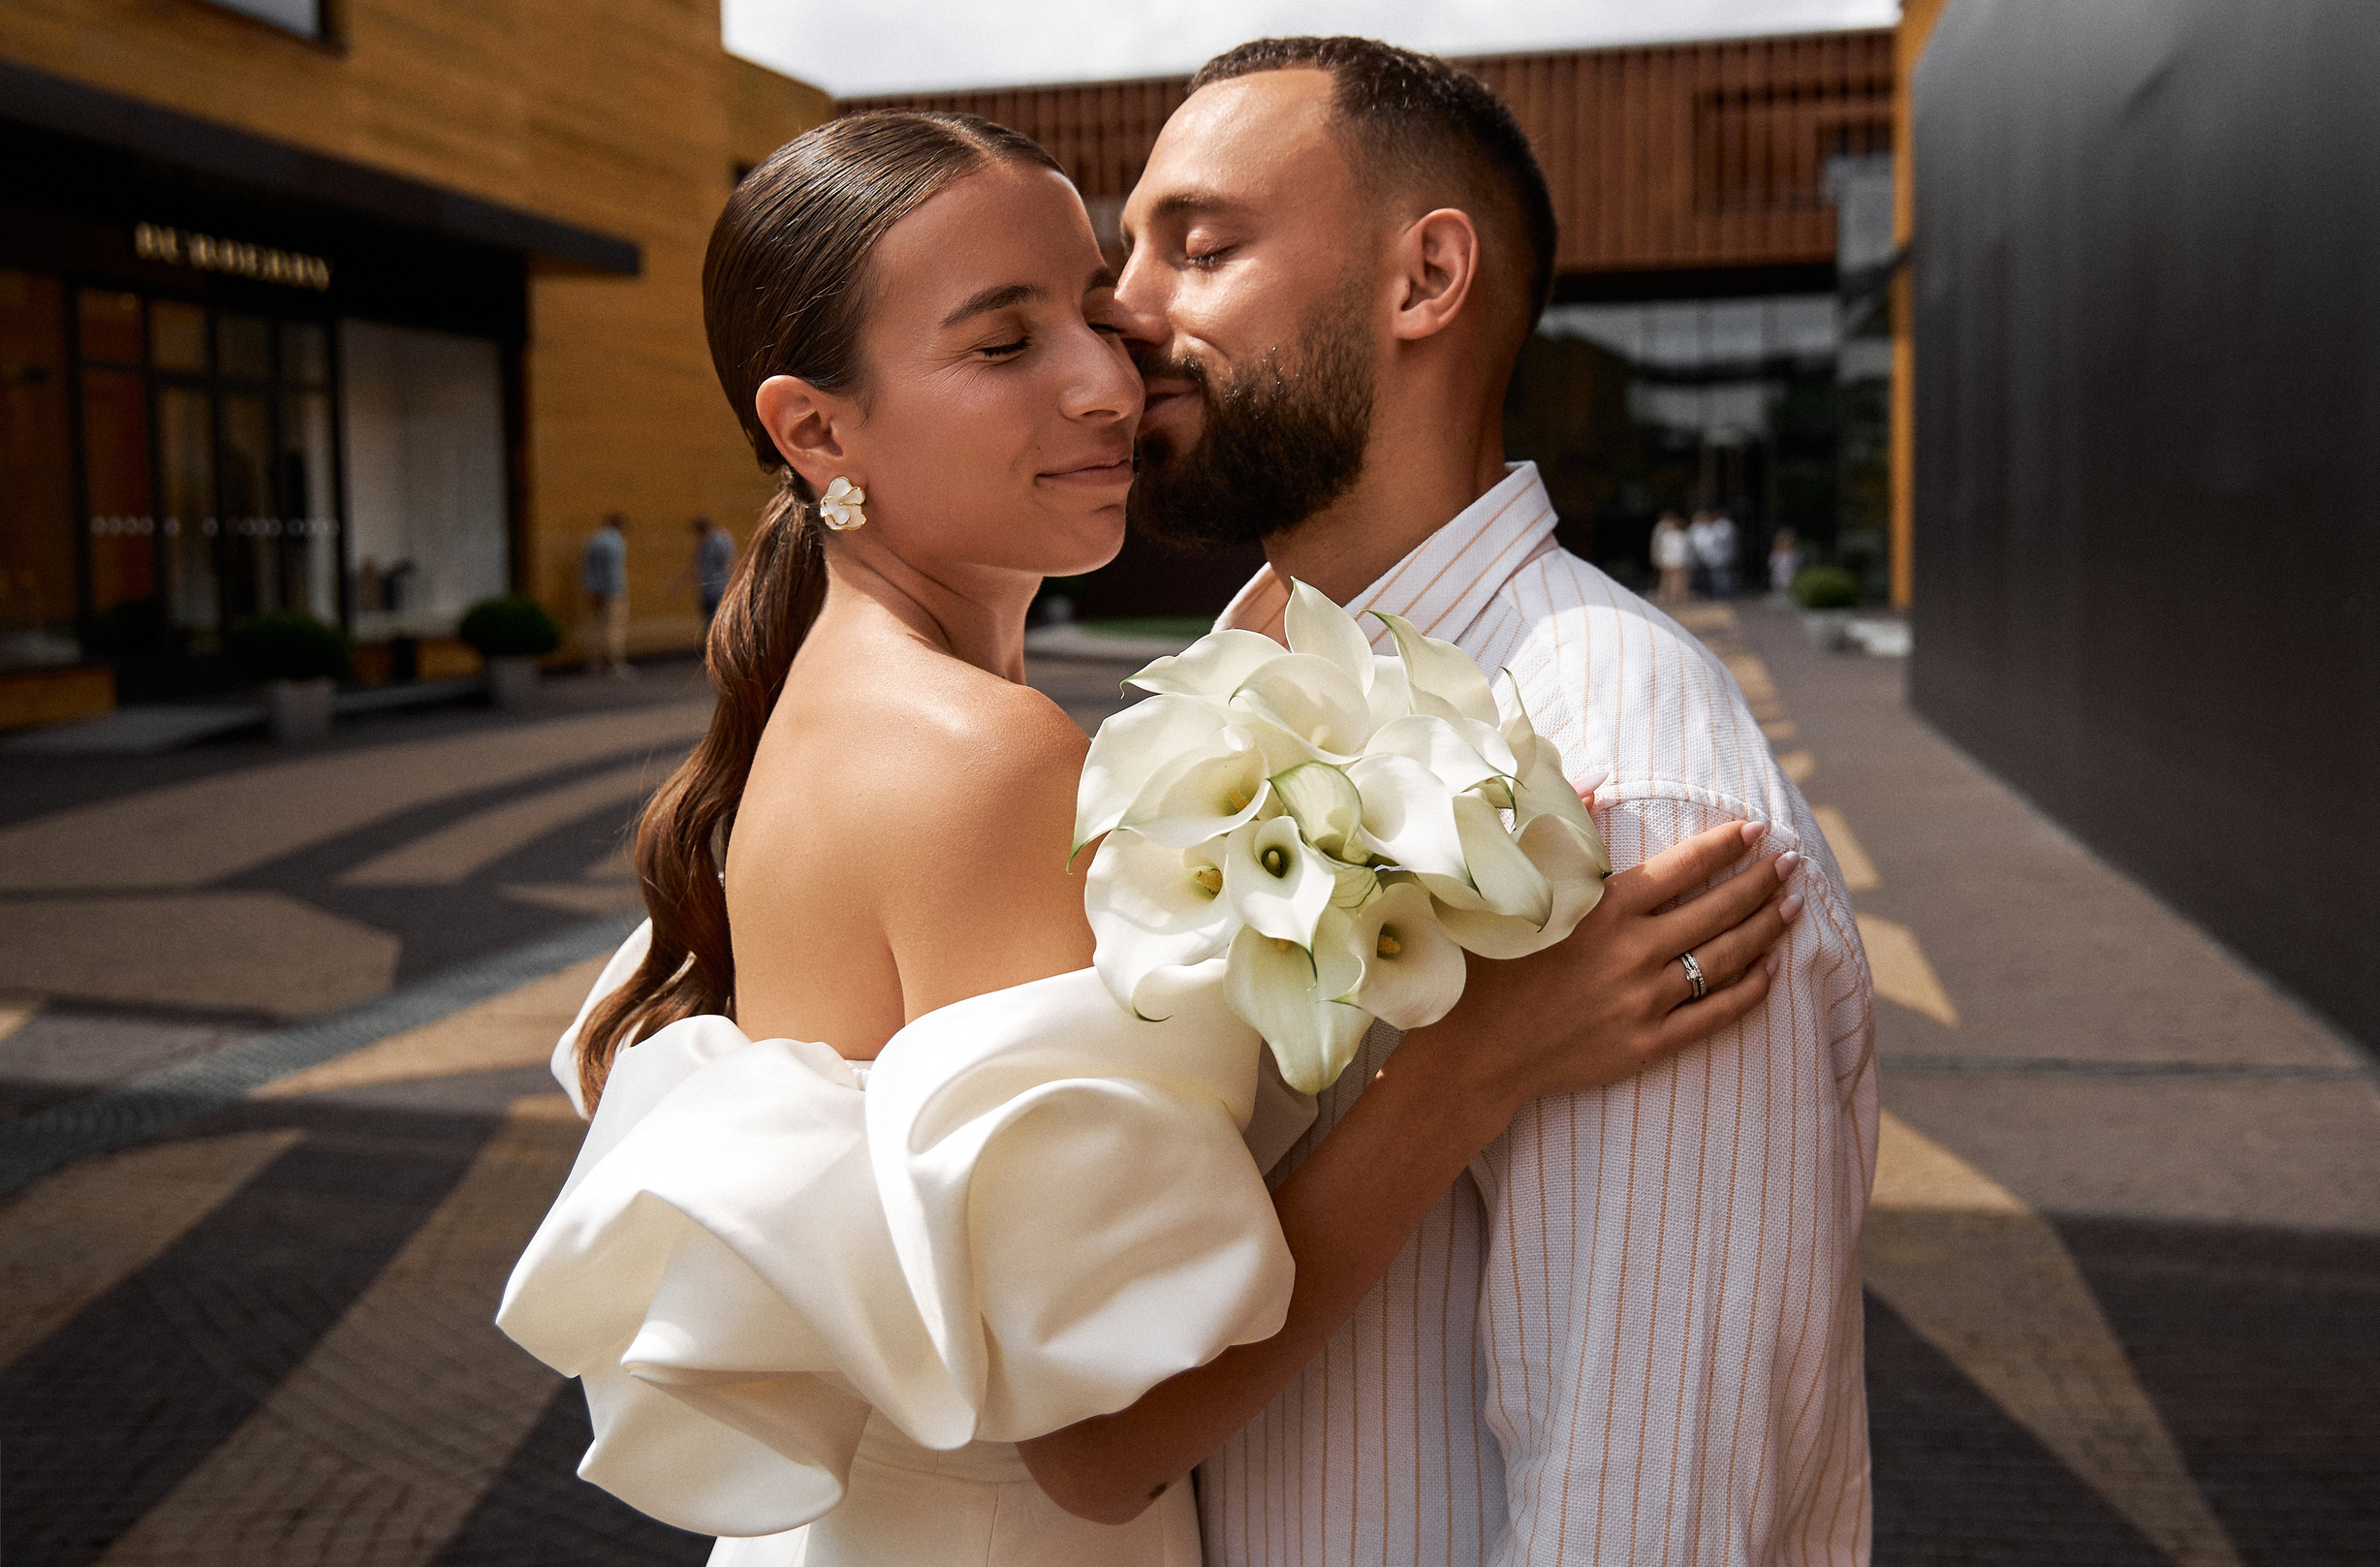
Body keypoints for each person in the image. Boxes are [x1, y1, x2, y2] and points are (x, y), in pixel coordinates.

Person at [498, 110, 1800, 1566]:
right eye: (1004, 345)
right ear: (816, 429)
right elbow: (1099, 1444)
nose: (1106, 381)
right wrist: (1471, 1065)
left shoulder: (856, 708)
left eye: (1091, 312)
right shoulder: (977, 758)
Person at [1107, 38, 1875, 1563]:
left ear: (1424, 279)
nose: (1121, 313)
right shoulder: (1200, 699)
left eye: (1196, 246)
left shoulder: (1618, 769)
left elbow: (1643, 1482)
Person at [581, 512, 633, 675]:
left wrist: (593, 588)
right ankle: (615, 664)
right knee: (615, 628)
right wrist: (609, 588)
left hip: (594, 590)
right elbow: (612, 570)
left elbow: (588, 566)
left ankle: (594, 663)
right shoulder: (615, 542)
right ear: (619, 525)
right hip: (613, 590)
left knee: (595, 627)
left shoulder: (594, 539)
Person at [692, 516, 736, 628]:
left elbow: (729, 562)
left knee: (718, 622)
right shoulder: (704, 545)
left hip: (719, 588)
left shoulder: (719, 541)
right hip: (709, 590)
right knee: (710, 622)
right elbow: (697, 567)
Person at [1652, 509, 1692, 606]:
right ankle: (1671, 597)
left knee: (1676, 581)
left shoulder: (1680, 536)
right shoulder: (1673, 535)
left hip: (1673, 561)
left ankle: (1676, 597)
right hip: (1672, 560)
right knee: (1670, 580)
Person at [1771, 525, 1802, 600]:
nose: (1786, 543)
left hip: (1791, 578)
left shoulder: (1795, 554)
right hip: (1778, 579)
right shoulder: (1776, 554)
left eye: (1788, 541)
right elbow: (1773, 567)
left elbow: (1797, 566)